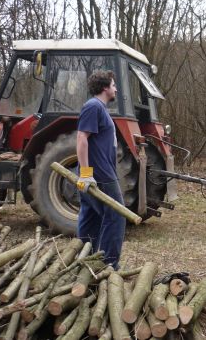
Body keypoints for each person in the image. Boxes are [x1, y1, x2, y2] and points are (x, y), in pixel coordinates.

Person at [76, 70, 125, 269]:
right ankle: (108, 264)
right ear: (105, 87)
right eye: (113, 85)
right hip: (100, 176)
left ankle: (84, 260)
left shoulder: (100, 108)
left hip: (99, 175)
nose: (116, 88)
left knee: (91, 216)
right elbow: (81, 138)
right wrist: (86, 174)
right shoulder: (93, 106)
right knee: (116, 216)